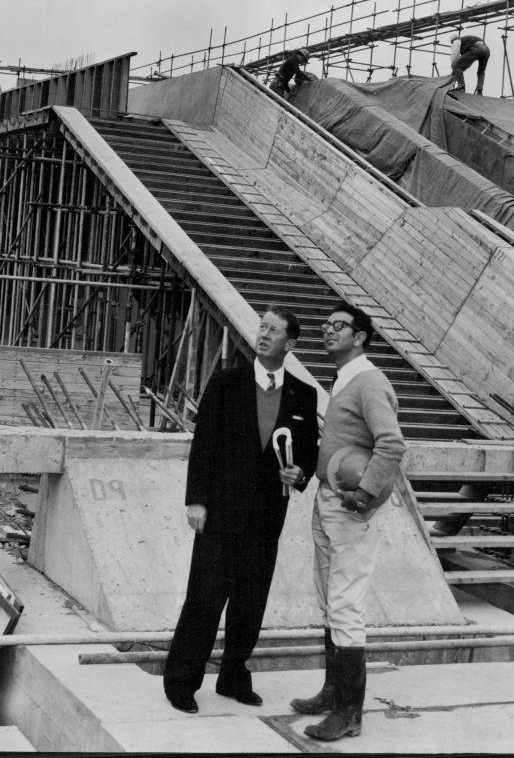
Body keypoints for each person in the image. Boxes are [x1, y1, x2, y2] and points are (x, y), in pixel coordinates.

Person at [163, 306, 319, 714]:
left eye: (274, 330)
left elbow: (308, 454)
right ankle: (181, 681)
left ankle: (234, 677)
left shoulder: (305, 393)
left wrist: (299, 473)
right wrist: (195, 499)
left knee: (251, 602)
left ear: (291, 343)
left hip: (267, 518)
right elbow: (204, 444)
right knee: (204, 598)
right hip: (220, 513)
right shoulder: (227, 381)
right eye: (262, 327)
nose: (264, 334)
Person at [292, 301, 406, 742]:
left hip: (350, 510)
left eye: (338, 326)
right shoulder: (345, 380)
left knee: (344, 605)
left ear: (360, 336)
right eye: (324, 325)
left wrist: (365, 492)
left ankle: (348, 714)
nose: (327, 331)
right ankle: (331, 690)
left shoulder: (369, 382)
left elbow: (391, 444)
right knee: (328, 599)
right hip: (327, 502)